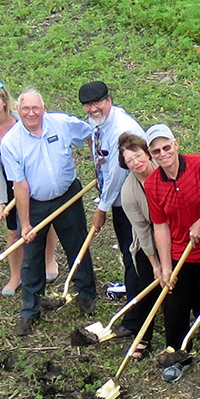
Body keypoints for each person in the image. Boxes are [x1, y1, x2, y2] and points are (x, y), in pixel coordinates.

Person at [0, 90, 98, 335]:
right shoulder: (11, 142)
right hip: (35, 204)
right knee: (32, 256)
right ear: (18, 110)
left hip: (69, 196)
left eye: (36, 108)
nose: (31, 113)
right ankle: (30, 309)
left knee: (78, 245)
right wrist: (24, 224)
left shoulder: (62, 123)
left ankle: (86, 294)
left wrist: (99, 164)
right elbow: (19, 186)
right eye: (26, 109)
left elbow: (91, 134)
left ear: (44, 107)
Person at [142, 124, 200, 373]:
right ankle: (177, 355)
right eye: (156, 151)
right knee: (176, 309)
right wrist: (166, 267)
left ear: (176, 145)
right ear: (151, 155)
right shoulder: (152, 185)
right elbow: (160, 226)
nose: (163, 154)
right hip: (182, 255)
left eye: (166, 147)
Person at [0, 81, 54, 297]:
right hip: (11, 181)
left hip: (34, 174)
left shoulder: (21, 120)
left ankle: (49, 261)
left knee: (44, 220)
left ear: (5, 103)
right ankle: (15, 276)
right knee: (13, 231)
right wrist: (0, 200)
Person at [77, 80, 144, 301]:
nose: (93, 109)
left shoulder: (121, 130)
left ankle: (136, 304)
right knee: (129, 249)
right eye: (88, 105)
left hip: (134, 199)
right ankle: (135, 288)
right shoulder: (99, 120)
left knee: (132, 251)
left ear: (109, 101)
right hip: (119, 196)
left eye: (98, 103)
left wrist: (101, 208)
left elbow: (116, 176)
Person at [110, 131, 163, 346]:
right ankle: (143, 335)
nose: (136, 162)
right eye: (129, 161)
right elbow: (142, 232)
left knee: (188, 279)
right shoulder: (129, 192)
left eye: (138, 156)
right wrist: (156, 265)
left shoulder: (165, 172)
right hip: (147, 241)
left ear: (148, 154)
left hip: (178, 235)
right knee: (145, 283)